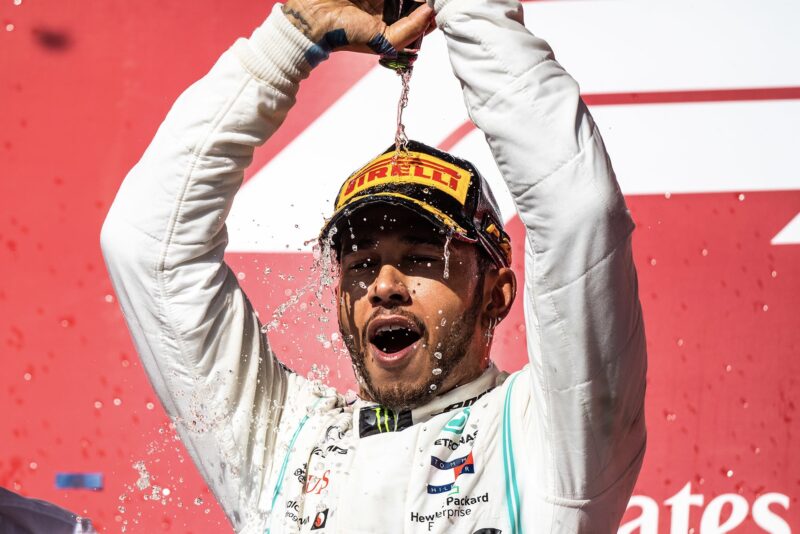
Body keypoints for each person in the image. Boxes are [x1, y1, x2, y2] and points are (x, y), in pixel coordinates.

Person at [101, 0, 647, 529]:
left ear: (496, 294)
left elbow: (579, 216)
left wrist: (468, 8)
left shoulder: (548, 439)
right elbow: (149, 249)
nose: (384, 286)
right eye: (360, 263)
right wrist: (290, 38)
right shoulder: (285, 446)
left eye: (420, 258)